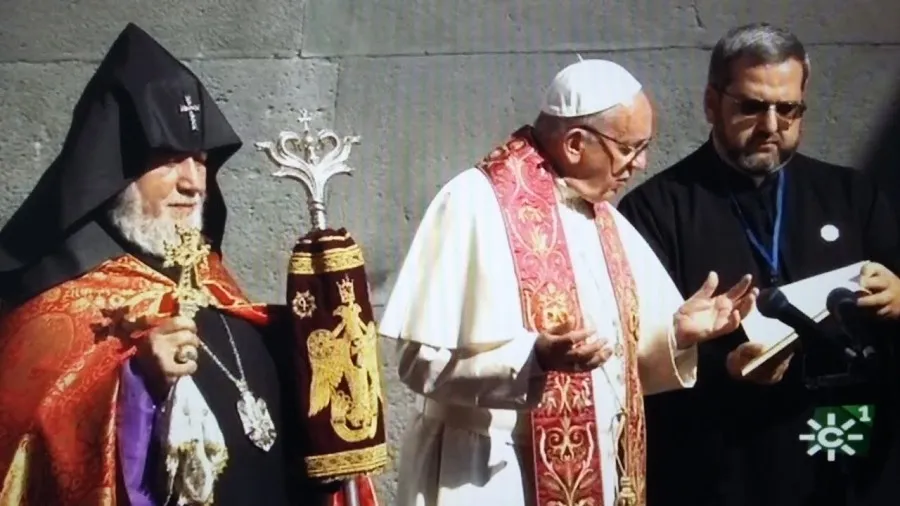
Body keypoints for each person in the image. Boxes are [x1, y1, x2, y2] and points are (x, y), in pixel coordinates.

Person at [0, 23, 376, 506]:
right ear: (115, 173)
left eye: (199, 160)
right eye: (169, 160)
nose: (193, 183)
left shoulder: (215, 285)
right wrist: (138, 387)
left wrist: (315, 345)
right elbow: (37, 445)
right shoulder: (58, 315)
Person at [378, 59, 759, 506]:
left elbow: (614, 364)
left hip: (595, 470)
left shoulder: (603, 218)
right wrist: (535, 358)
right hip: (488, 474)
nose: (640, 164)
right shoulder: (473, 202)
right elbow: (420, 363)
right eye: (630, 148)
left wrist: (675, 333)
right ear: (576, 143)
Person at [617, 22, 900, 506]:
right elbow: (635, 351)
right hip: (722, 466)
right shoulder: (655, 211)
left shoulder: (852, 195)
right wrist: (722, 366)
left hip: (843, 448)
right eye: (751, 107)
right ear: (712, 104)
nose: (771, 125)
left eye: (788, 109)